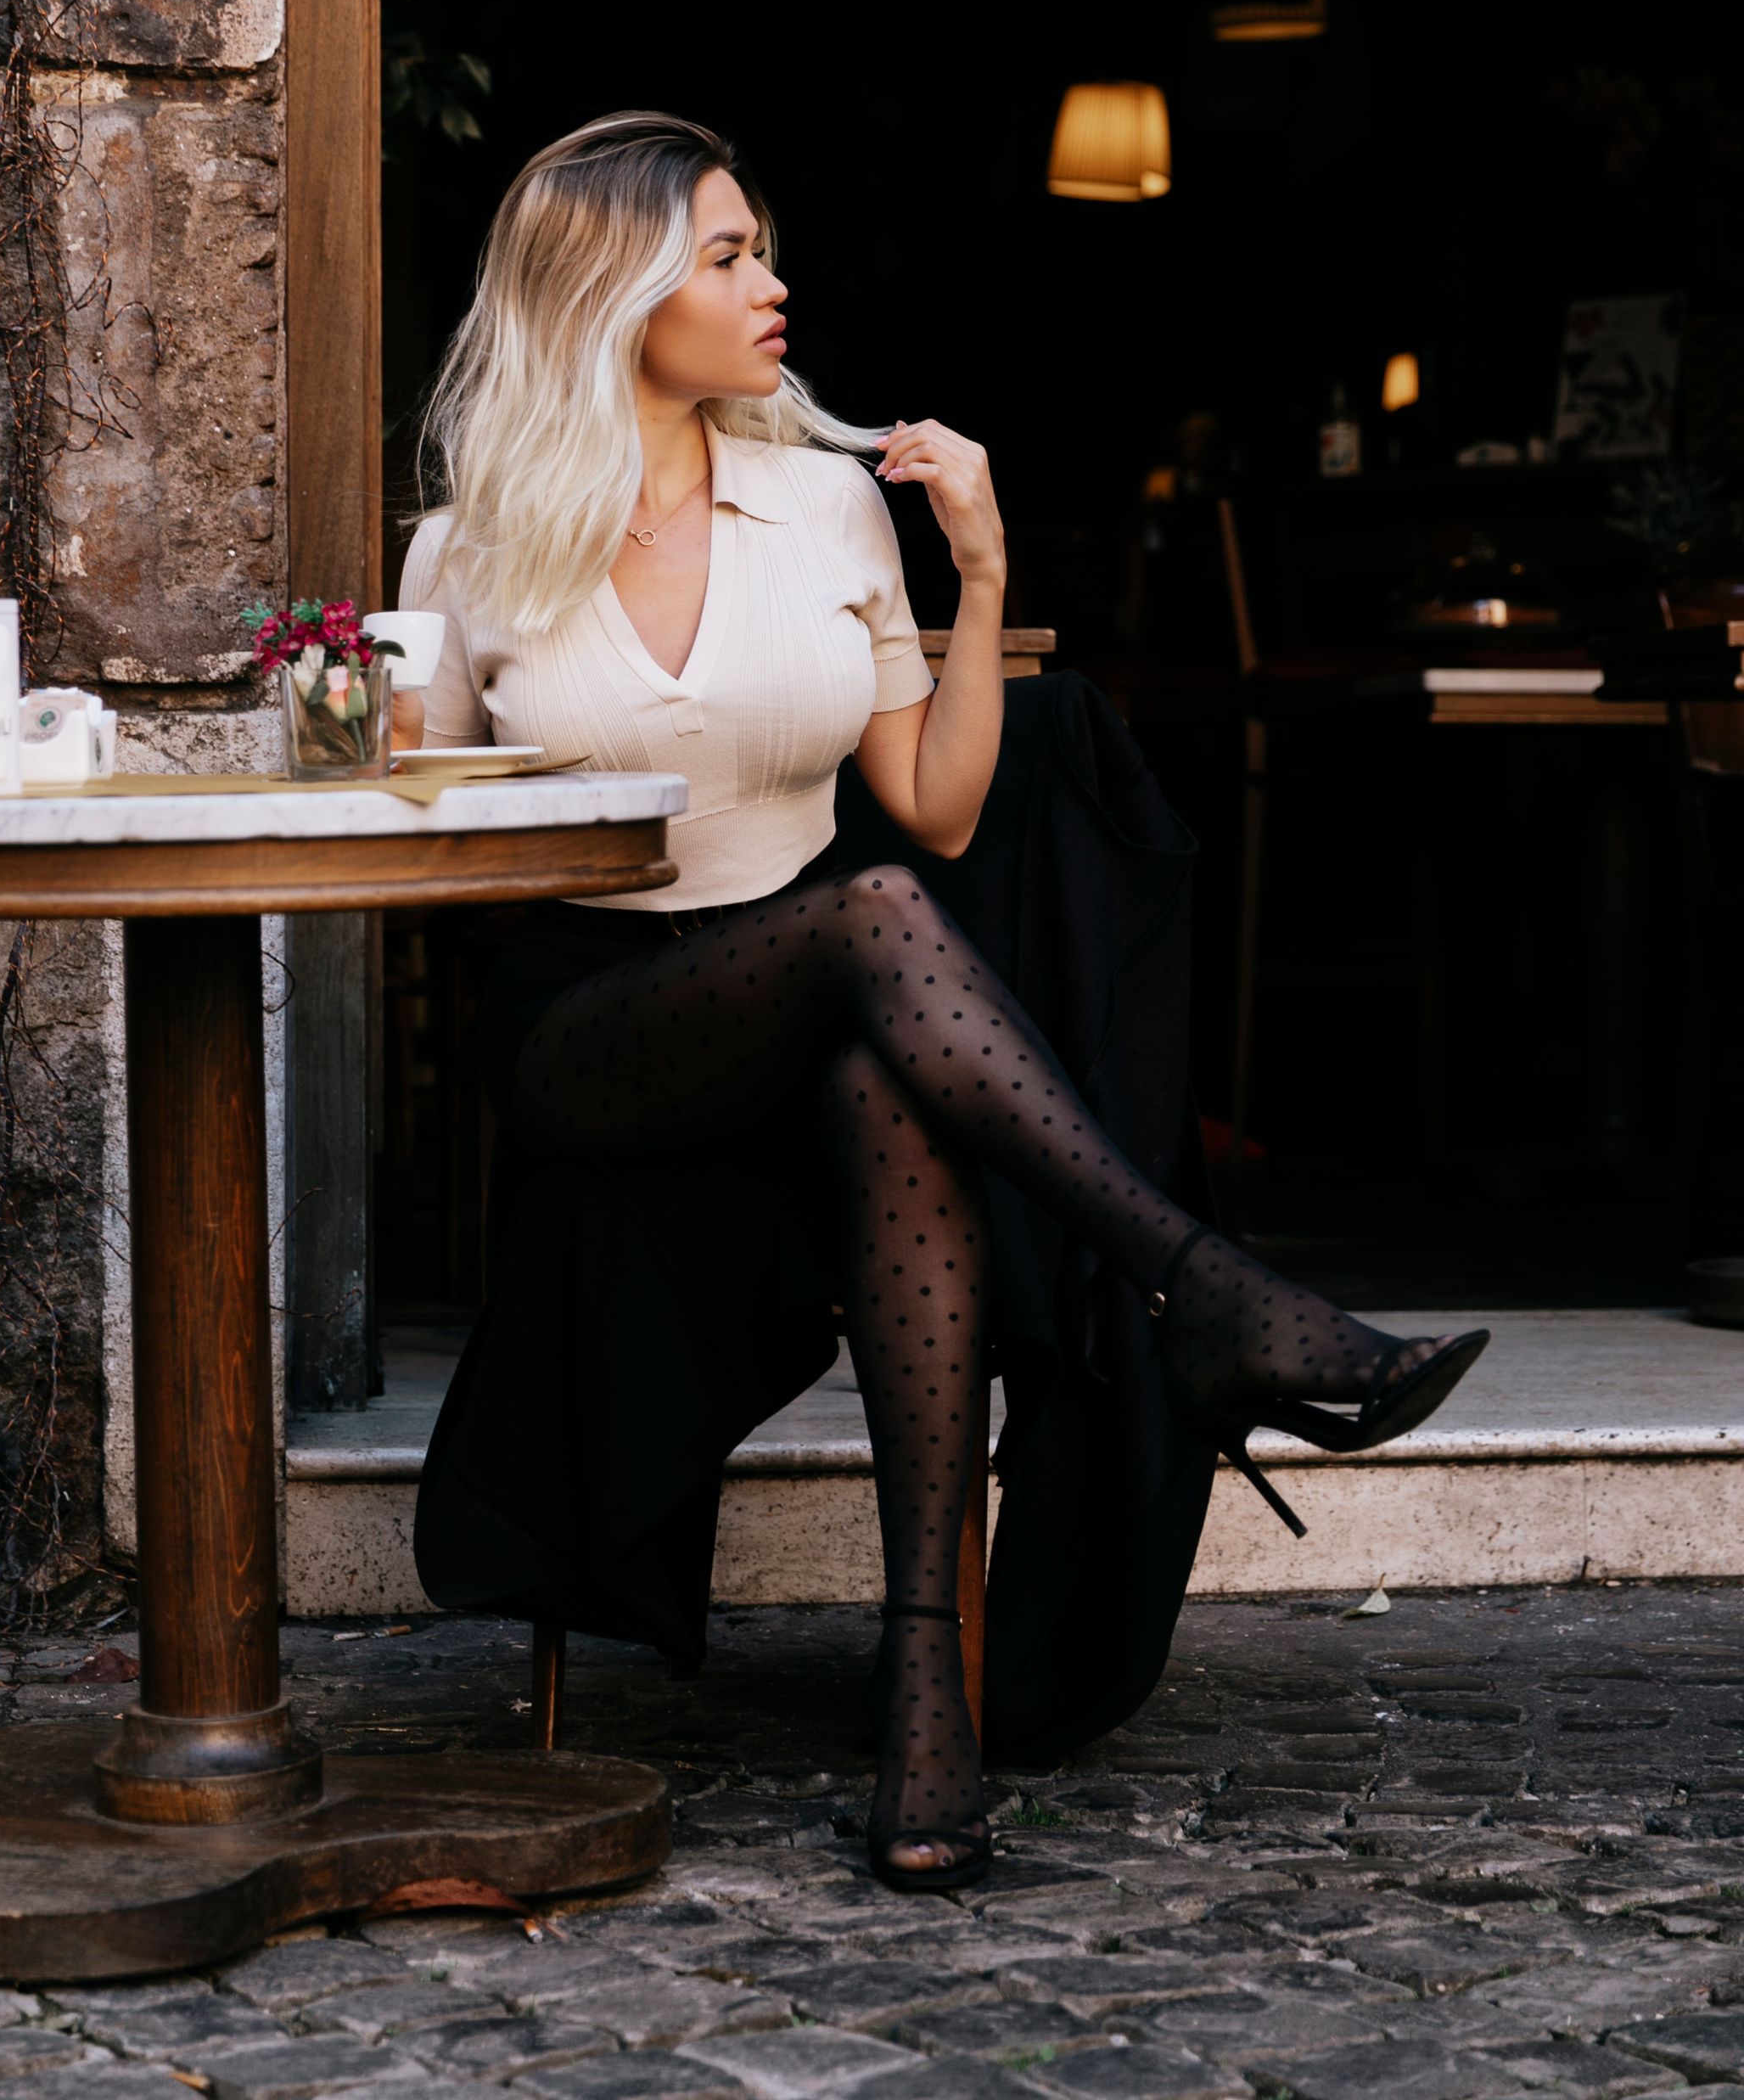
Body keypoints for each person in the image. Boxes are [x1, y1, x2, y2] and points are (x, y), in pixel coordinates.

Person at [398, 109, 1486, 1891]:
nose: (773, 283)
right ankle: (1199, 1288)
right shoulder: (470, 552)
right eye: (729, 254)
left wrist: (978, 573)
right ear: (610, 289)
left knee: (881, 1055)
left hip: (815, 988)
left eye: (760, 249)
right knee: (876, 926)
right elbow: (429, 849)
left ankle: (927, 1700)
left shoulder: (824, 503)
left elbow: (945, 800)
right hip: (590, 1019)